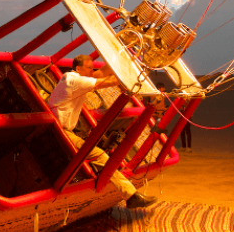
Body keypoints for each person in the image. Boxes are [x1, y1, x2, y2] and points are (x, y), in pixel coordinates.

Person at [47, 55, 156, 209]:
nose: (92, 71)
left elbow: (103, 73)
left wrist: (119, 56)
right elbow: (109, 81)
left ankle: (131, 195)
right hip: (60, 132)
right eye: (89, 68)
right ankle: (131, 195)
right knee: (100, 156)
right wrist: (134, 74)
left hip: (63, 130)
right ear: (78, 69)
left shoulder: (77, 78)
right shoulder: (74, 80)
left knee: (100, 153)